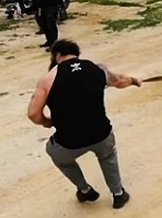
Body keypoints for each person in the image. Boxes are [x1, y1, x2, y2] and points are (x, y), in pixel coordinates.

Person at [27, 40, 140, 210]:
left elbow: (33, 114)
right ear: (76, 54)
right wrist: (133, 80)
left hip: (68, 142)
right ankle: (118, 194)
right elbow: (119, 81)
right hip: (101, 134)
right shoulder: (97, 69)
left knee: (56, 154)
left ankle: (85, 190)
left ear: (57, 55)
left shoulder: (47, 80)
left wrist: (47, 122)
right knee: (107, 155)